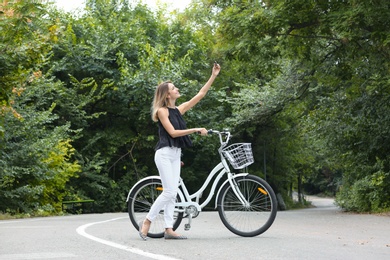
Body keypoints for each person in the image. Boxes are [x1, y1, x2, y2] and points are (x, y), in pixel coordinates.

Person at [139, 62, 221, 240]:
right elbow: (173, 133)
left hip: (175, 154)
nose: (177, 89)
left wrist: (213, 75)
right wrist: (195, 129)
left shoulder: (178, 109)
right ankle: (147, 221)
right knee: (168, 192)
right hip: (164, 154)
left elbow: (201, 94)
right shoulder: (162, 111)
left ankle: (169, 229)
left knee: (173, 192)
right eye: (173, 88)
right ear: (167, 94)